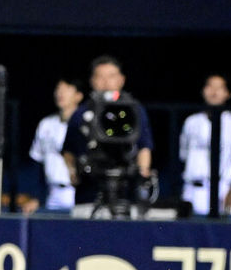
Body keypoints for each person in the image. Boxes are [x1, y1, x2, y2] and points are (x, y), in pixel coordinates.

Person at [61, 56, 155, 218]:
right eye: (100, 76)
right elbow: (68, 149)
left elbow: (144, 146)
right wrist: (72, 170)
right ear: (92, 80)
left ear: (121, 80)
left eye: (111, 76)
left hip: (126, 193)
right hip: (90, 194)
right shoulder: (81, 114)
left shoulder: (134, 111)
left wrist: (142, 172)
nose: (106, 82)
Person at [179, 74, 231, 217]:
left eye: (220, 87)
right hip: (193, 190)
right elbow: (183, 155)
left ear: (227, 93)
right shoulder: (191, 122)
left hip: (223, 190)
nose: (214, 91)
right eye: (210, 86)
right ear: (203, 90)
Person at [22, 78, 85, 214]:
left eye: (67, 89)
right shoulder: (46, 124)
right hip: (52, 193)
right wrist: (36, 196)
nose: (60, 93)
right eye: (58, 89)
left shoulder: (85, 124)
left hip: (78, 192)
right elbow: (37, 163)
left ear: (78, 96)